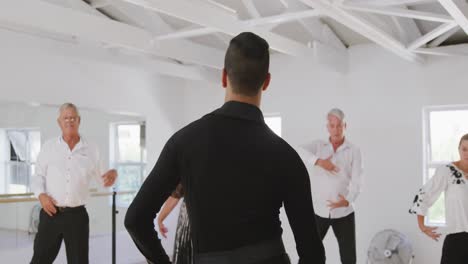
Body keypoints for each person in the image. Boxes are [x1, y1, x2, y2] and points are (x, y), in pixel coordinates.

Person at [125, 32, 325, 264]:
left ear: (223, 77)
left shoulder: (184, 142)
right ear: (266, 82)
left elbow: (136, 220)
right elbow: (313, 252)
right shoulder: (286, 156)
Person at [30, 103, 118, 264]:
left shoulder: (92, 148)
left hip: (77, 217)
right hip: (51, 215)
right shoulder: (49, 147)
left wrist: (112, 174)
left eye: (73, 118)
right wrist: (41, 195)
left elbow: (103, 179)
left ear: (79, 120)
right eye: (65, 118)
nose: (69, 121)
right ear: (59, 122)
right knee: (39, 260)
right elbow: (38, 176)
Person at [299, 108, 363, 264]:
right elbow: (299, 150)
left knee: (349, 258)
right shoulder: (319, 146)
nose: (336, 130)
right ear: (327, 127)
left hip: (344, 212)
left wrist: (348, 200)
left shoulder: (354, 150)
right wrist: (319, 162)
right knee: (309, 254)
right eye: (332, 125)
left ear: (345, 126)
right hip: (319, 210)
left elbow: (357, 179)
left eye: (339, 125)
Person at [409, 133, 468, 264]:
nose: (467, 153)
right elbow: (425, 194)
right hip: (456, 240)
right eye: (464, 149)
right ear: (459, 149)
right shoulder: (447, 171)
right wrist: (422, 226)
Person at [157, 184, 192, 264]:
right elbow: (177, 193)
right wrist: (160, 219)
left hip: (191, 220)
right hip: (190, 218)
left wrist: (160, 219)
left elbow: (177, 194)